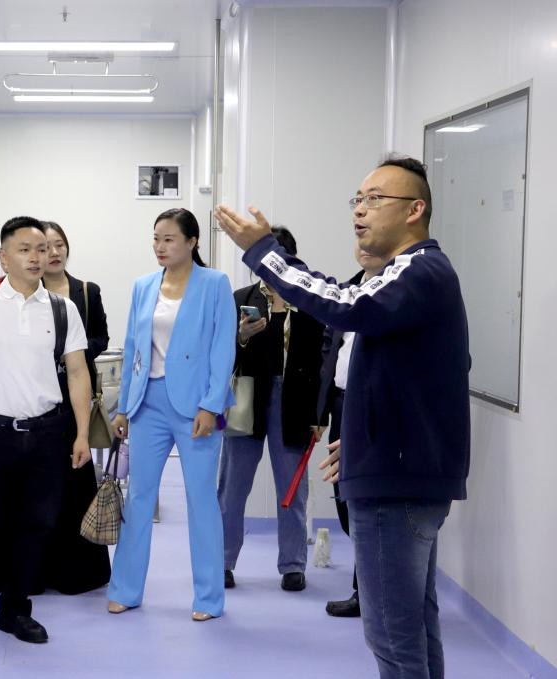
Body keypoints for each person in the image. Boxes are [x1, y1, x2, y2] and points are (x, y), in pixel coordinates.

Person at [215, 155, 470, 679]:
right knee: (414, 628)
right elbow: (411, 377)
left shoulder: (419, 270)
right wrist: (363, 434)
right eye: (358, 199)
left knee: (393, 637)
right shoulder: (416, 275)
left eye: (375, 199)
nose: (360, 210)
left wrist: (264, 253)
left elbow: (343, 304)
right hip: (399, 471)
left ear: (415, 210)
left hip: (396, 483)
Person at [0, 216, 93, 646]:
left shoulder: (63, 309)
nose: (36, 257)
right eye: (25, 249)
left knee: (36, 525)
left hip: (47, 435)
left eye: (42, 249)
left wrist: (82, 433)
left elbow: (79, 373)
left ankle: (15, 610)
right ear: (4, 257)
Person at [108, 208, 237, 621]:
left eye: (169, 239)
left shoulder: (215, 284)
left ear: (192, 242)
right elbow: (133, 348)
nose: (160, 247)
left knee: (201, 500)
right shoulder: (143, 286)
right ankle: (126, 589)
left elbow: (223, 347)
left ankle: (209, 599)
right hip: (148, 403)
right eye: (156, 238)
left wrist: (211, 405)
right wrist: (124, 406)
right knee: (139, 497)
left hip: (196, 407)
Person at [217, 226, 325, 593]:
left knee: (292, 488)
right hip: (247, 397)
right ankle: (222, 561)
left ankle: (293, 565)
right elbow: (221, 355)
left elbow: (322, 361)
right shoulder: (241, 298)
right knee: (232, 487)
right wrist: (242, 337)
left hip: (294, 402)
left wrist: (320, 415)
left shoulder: (309, 302)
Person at [38, 220, 112, 594]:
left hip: (75, 396)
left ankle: (75, 571)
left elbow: (101, 336)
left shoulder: (86, 291)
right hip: (37, 395)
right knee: (38, 483)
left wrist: (74, 354)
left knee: (74, 479)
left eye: (59, 245)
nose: (54, 252)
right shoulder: (26, 291)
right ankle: (36, 567)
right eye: (46, 246)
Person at [316, 243, 387, 618]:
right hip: (343, 405)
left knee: (368, 502)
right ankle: (368, 588)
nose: (366, 248)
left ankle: (366, 593)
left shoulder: (396, 295)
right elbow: (330, 354)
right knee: (345, 501)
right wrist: (321, 412)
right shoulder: (347, 292)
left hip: (374, 407)